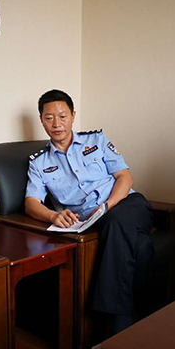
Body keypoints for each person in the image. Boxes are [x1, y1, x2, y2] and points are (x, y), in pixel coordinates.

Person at [25, 89, 153, 335]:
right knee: (142, 247)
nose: (56, 123)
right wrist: (53, 215)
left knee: (116, 222)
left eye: (62, 116)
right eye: (49, 118)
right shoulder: (39, 162)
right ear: (41, 120)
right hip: (93, 220)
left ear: (73, 116)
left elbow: (125, 177)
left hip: (127, 203)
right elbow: (31, 202)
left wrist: (108, 205)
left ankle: (115, 324)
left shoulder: (97, 140)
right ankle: (147, 312)